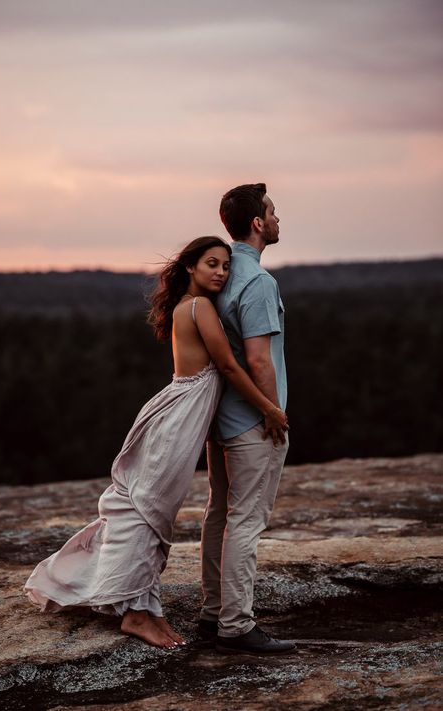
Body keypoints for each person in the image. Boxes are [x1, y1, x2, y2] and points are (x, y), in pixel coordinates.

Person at [24, 236, 287, 650]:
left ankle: (143, 608)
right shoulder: (199, 307)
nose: (220, 272)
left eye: (224, 266)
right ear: (190, 269)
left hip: (180, 417)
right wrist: (270, 410)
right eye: (211, 264)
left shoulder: (192, 306)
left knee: (152, 511)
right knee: (149, 510)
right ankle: (136, 613)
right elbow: (231, 368)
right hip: (177, 421)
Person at [199, 184, 297, 655]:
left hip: (219, 421)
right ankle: (236, 624)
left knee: (220, 513)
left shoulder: (217, 275)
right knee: (245, 521)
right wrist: (274, 415)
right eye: (274, 213)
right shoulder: (258, 282)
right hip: (252, 422)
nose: (279, 219)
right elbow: (258, 361)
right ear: (258, 223)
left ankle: (213, 612)